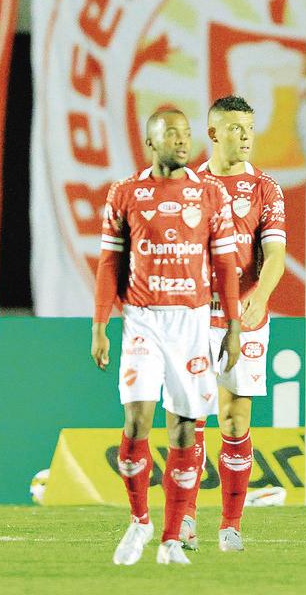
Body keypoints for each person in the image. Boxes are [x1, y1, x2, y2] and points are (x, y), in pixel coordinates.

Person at [92, 107, 241, 566]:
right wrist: (99, 324)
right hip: (141, 321)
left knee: (183, 428)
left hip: (192, 324)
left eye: (187, 133)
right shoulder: (125, 193)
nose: (183, 141)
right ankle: (139, 519)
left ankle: (172, 539)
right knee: (136, 421)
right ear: (151, 142)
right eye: (172, 134)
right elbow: (109, 263)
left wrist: (233, 325)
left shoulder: (210, 194)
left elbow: (224, 266)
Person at [181, 95, 288, 553]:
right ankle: (184, 520)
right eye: (235, 128)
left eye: (249, 127)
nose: (245, 137)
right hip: (192, 316)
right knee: (188, 417)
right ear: (213, 133)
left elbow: (276, 257)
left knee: (234, 417)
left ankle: (230, 525)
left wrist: (259, 297)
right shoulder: (188, 185)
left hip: (243, 318)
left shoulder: (265, 188)